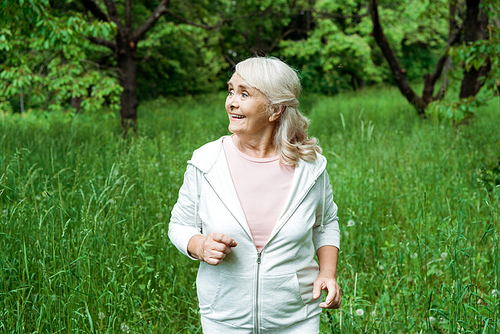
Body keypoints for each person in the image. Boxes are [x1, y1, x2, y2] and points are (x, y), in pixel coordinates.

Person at [168, 57, 341, 333]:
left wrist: (327, 273)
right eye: (231, 91)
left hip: (297, 317)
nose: (231, 102)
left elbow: (326, 223)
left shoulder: (311, 168)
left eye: (244, 94)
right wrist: (199, 245)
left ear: (274, 110)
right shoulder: (206, 162)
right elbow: (179, 224)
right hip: (224, 317)